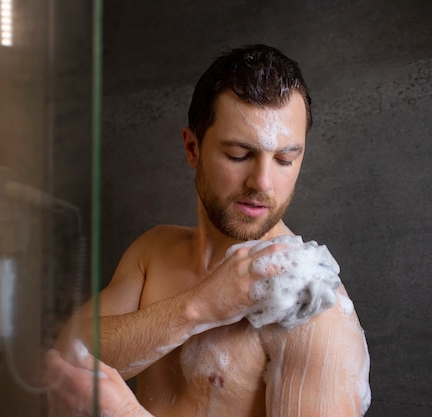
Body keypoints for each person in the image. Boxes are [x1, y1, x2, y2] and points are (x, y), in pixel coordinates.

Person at [48, 44, 371, 416]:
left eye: (285, 159)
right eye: (239, 154)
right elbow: (69, 353)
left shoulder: (307, 306)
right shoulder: (153, 252)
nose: (263, 183)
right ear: (192, 148)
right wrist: (199, 307)